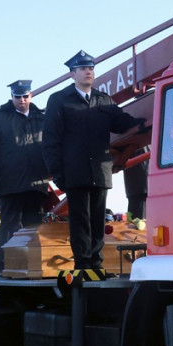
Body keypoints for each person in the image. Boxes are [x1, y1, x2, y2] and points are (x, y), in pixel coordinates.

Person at [42, 50, 147, 273]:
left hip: (99, 170)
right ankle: (83, 266)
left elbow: (120, 122)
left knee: (98, 220)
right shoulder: (59, 101)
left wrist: (142, 122)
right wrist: (57, 173)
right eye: (83, 68)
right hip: (74, 171)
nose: (88, 71)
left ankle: (96, 266)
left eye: (91, 68)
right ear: (72, 74)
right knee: (80, 220)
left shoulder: (103, 100)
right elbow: (51, 140)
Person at [0, 79, 49, 273]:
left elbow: (53, 146)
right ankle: (8, 265)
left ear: (31, 95)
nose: (22, 100)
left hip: (37, 184)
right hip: (10, 184)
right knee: (10, 226)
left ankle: (34, 266)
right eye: (18, 96)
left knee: (34, 227)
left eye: (25, 96)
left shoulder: (42, 118)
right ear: (12, 97)